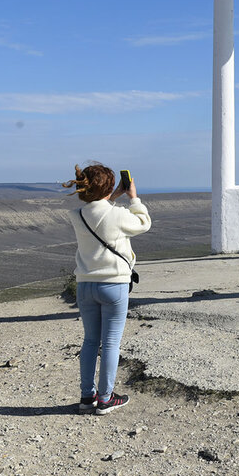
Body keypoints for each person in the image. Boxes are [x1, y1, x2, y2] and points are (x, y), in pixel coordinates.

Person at [63, 163, 151, 415]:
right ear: (109, 187)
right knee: (111, 343)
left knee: (90, 341)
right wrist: (133, 198)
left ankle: (87, 396)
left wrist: (110, 196)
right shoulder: (119, 214)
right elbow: (143, 223)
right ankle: (105, 399)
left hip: (85, 285)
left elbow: (97, 212)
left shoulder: (77, 215)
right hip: (114, 285)